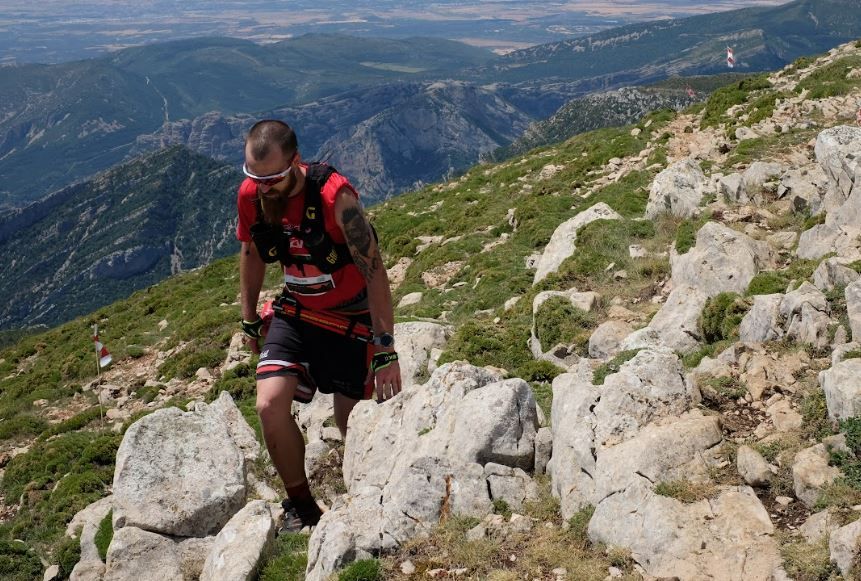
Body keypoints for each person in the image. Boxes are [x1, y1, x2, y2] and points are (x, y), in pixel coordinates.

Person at [235, 119, 402, 530]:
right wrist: (250, 319)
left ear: (296, 161)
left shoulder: (334, 197)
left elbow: (374, 270)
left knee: (350, 422)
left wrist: (384, 350)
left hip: (350, 316)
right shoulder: (252, 195)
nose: (263, 185)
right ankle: (302, 506)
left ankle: (368, 499)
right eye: (254, 175)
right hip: (297, 310)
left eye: (272, 176)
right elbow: (252, 253)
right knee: (269, 404)